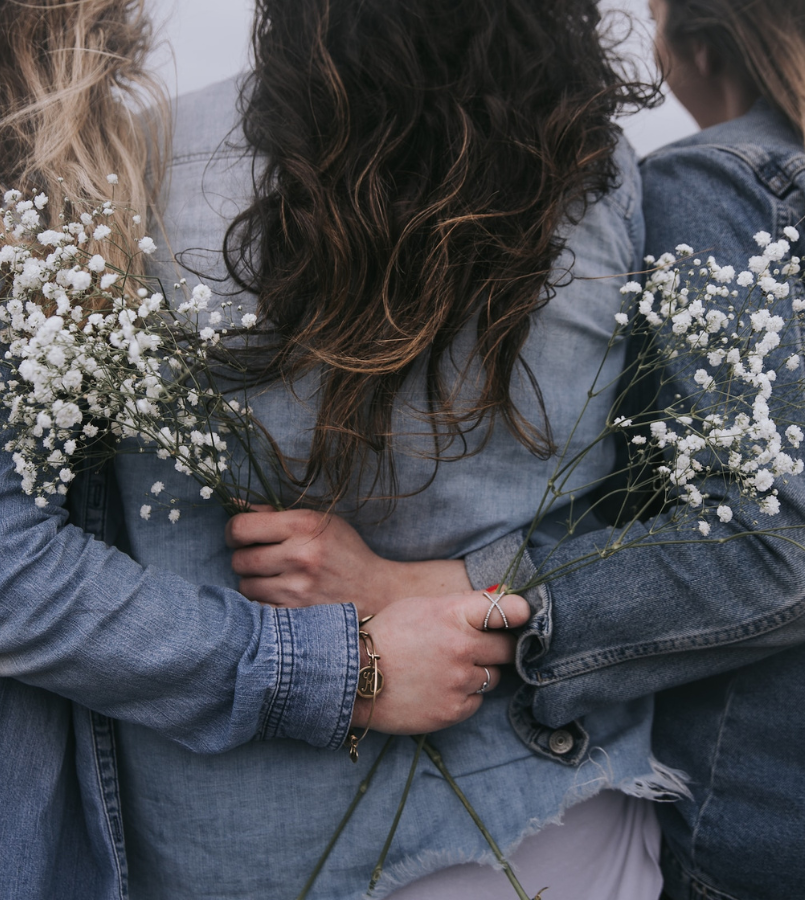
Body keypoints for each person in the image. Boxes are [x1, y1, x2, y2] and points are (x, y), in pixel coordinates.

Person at [236, 2, 805, 899]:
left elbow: (776, 539)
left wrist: (450, 589)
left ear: (696, 40)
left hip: (755, 822)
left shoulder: (722, 183)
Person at [107, 2, 676, 898]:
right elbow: (666, 510)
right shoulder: (604, 179)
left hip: (245, 835)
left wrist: (404, 592)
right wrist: (485, 580)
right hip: (536, 811)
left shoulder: (132, 162)